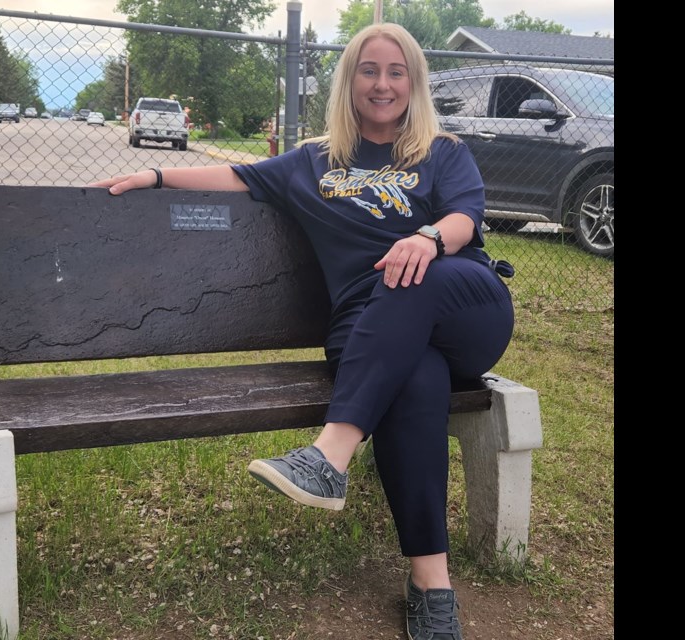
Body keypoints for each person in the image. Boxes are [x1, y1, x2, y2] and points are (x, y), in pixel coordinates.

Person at [91, 22, 514, 640]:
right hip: (371, 335)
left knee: (413, 274)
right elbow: (238, 177)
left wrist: (423, 238)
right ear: (349, 80)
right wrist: (156, 176)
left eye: (397, 72)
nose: (383, 83)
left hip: (461, 305)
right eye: (369, 70)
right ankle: (432, 583)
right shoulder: (315, 160)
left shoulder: (441, 150)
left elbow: (463, 217)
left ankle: (329, 455)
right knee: (415, 382)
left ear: (414, 83)